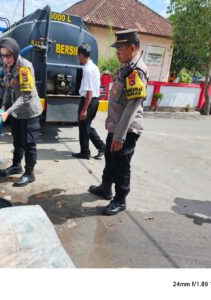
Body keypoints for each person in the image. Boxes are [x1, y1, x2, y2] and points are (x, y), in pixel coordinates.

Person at [89, 29, 148, 216]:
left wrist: (120, 136)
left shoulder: (136, 70)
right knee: (110, 158)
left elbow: (132, 106)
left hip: (127, 129)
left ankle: (120, 200)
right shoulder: (126, 66)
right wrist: (109, 119)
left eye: (119, 49)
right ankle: (106, 188)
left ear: (132, 48)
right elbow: (117, 97)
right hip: (117, 125)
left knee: (121, 164)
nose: (117, 53)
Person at [0, 37, 43, 187]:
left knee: (29, 144)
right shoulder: (8, 67)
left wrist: (7, 111)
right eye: (3, 55)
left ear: (15, 53)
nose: (6, 59)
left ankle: (30, 173)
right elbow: (8, 88)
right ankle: (16, 165)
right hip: (16, 111)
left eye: (8, 55)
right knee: (17, 141)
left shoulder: (24, 67)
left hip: (29, 112)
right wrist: (4, 106)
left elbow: (27, 95)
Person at [71, 44, 105, 160]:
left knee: (84, 127)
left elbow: (89, 92)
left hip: (89, 101)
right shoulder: (94, 66)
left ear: (81, 55)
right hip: (94, 101)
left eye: (78, 56)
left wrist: (84, 109)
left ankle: (86, 152)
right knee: (86, 126)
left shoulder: (88, 69)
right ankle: (100, 147)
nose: (78, 58)